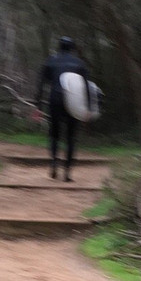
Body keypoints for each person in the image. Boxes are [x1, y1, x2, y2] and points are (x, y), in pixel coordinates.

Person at [36, 36, 90, 182]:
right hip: (73, 102)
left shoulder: (50, 61)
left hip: (55, 100)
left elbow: (41, 84)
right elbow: (86, 86)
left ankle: (54, 161)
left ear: (59, 46)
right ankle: (67, 171)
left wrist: (38, 106)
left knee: (54, 135)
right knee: (71, 137)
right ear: (72, 48)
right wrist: (88, 108)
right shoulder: (79, 63)